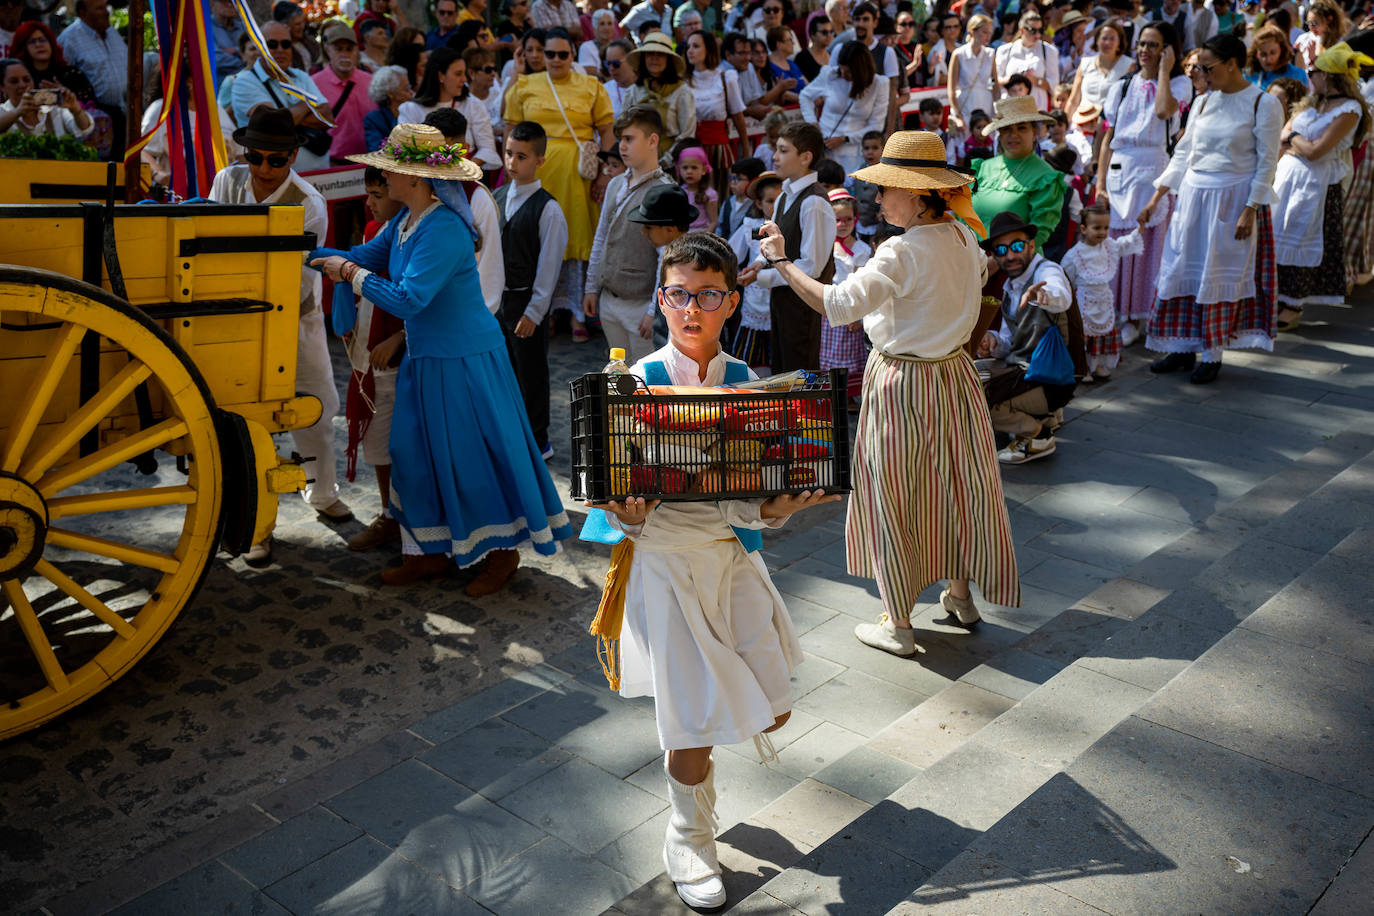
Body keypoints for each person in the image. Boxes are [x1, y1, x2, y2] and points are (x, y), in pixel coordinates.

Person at [581, 232, 837, 913]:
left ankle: (698, 796)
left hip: (732, 557)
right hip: (664, 566)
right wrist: (628, 512)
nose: (691, 309)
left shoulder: (753, 385)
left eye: (708, 295)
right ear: (661, 298)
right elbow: (610, 500)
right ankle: (689, 836)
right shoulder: (631, 386)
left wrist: (790, 504)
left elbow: (764, 503)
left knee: (774, 705)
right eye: (678, 294)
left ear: (732, 300)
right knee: (691, 723)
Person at [757, 130, 1019, 655]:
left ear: (919, 193)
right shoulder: (966, 236)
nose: (879, 198)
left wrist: (781, 262)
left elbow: (836, 306)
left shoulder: (901, 251)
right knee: (956, 487)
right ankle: (960, 594)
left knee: (894, 494)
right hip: (955, 377)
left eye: (887, 188)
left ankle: (898, 623)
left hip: (903, 383)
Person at [312, 122, 572, 592]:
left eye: (391, 171)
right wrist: (301, 249)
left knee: (473, 457)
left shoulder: (445, 230)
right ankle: (427, 551)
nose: (384, 179)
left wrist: (347, 273)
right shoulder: (407, 222)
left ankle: (501, 552)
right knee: (414, 455)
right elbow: (364, 254)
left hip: (465, 361)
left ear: (415, 178)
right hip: (431, 359)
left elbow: (410, 300)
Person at [209, 108, 353, 566]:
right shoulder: (226, 182)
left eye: (276, 159)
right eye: (255, 157)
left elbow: (294, 281)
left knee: (316, 406)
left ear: (294, 155)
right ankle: (253, 522)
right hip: (232, 318)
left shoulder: (309, 202)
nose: (264, 169)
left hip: (294, 319)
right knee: (242, 418)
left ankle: (323, 491)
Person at [1139, 33, 1284, 385]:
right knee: (1183, 269)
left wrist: (1251, 208)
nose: (1200, 72)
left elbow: (1267, 162)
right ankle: (1183, 347)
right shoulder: (1204, 101)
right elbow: (1186, 153)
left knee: (1217, 274)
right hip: (1194, 197)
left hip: (1232, 199)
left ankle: (1213, 352)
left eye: (1207, 66)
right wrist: (1157, 196)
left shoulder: (1261, 103)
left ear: (1231, 64)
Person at [504, 27, 615, 344]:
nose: (554, 59)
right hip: (533, 174)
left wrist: (605, 173)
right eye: (548, 53)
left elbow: (607, 132)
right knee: (537, 240)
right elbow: (511, 130)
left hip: (579, 177)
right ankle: (545, 312)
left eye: (562, 54)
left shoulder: (591, 86)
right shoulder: (525, 84)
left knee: (576, 239)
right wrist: (512, 166)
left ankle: (579, 313)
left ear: (573, 54)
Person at [1096, 21, 1189, 343]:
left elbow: (1163, 111)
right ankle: (1115, 313)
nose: (1145, 51)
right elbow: (1108, 137)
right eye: (1142, 44)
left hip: (1153, 171)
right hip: (1122, 170)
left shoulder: (1178, 85)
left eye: (1153, 45)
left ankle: (1143, 315)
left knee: (1148, 247)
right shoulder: (1121, 87)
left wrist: (1164, 71)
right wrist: (1099, 183)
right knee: (1116, 244)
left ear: (1167, 50)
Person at [1271, 44, 1370, 330]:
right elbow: (1282, 136)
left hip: (1318, 185)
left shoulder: (1350, 110)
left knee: (1303, 239)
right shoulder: (1311, 103)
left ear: (1330, 75)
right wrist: (1294, 142)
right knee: (1279, 235)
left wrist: (1295, 139)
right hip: (1288, 179)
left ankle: (1293, 303)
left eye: (1314, 71)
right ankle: (1277, 297)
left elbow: (1317, 151)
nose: (1309, 75)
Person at [975, 211, 1079, 464]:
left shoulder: (1048, 272)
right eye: (1001, 250)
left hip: (1050, 380)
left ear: (1031, 245)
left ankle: (1039, 436)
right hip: (1026, 371)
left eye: (1017, 246)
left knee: (977, 402)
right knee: (969, 375)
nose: (1010, 255)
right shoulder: (1010, 287)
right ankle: (1043, 417)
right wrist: (992, 342)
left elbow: (1059, 294)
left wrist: (1045, 296)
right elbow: (1009, 342)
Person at [340, 167, 406, 552]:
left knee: (399, 445)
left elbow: (413, 297)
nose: (370, 203)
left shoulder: (410, 237)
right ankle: (389, 513)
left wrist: (398, 337)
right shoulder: (371, 232)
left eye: (378, 195)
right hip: (368, 354)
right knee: (379, 446)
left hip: (398, 357)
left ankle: (401, 518)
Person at [494, 121, 568, 457]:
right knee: (502, 371)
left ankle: (538, 440)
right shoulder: (495, 199)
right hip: (497, 302)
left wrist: (535, 311)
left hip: (525, 302)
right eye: (508, 153)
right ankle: (508, 433)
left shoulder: (548, 209)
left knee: (531, 373)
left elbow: (549, 268)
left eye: (521, 156)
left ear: (539, 160)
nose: (512, 162)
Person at [738, 122, 836, 373]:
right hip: (783, 300)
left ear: (805, 157)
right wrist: (758, 264)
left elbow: (812, 267)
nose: (775, 156)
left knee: (800, 374)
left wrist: (764, 276)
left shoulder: (813, 201)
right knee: (782, 371)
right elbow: (776, 244)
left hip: (804, 306)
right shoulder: (784, 196)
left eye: (783, 150)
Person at [585, 105, 676, 364]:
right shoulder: (615, 183)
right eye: (620, 139)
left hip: (640, 304)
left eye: (629, 139)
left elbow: (666, 258)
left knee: (644, 382)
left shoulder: (664, 190)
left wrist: (653, 311)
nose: (621, 146)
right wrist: (591, 287)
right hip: (610, 297)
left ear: (652, 140)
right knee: (617, 374)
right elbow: (601, 237)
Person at [232, 18, 332, 172]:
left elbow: (327, 117)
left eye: (286, 44)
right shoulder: (245, 81)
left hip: (321, 177)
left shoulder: (301, 76)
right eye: (272, 44)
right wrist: (308, 102)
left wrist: (287, 117)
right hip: (271, 177)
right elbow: (272, 124)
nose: (280, 49)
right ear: (259, 47)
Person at [971, 97, 1066, 250]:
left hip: (1015, 265)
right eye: (1007, 128)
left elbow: (1039, 234)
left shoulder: (1045, 176)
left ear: (1034, 132)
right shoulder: (984, 167)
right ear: (1000, 133)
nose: (1013, 135)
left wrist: (995, 262)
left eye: (1021, 128)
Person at [1061, 202, 1143, 379]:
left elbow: (1124, 244)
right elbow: (1065, 277)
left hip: (1104, 300)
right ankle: (1083, 368)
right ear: (1083, 228)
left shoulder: (1108, 246)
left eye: (1106, 227)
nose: (1102, 232)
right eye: (1097, 227)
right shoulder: (1074, 255)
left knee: (1103, 334)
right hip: (1084, 300)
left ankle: (1098, 365)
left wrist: (1140, 229)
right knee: (1085, 336)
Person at [397, 46, 499, 169]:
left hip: (465, 177)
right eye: (458, 74)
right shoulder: (410, 110)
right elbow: (405, 150)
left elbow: (487, 147)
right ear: (440, 76)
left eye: (464, 73)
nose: (464, 79)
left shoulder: (473, 105)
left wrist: (463, 170)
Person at [799, 39, 891, 173]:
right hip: (824, 148)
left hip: (855, 153)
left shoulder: (880, 84)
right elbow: (805, 96)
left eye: (848, 72)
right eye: (841, 69)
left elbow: (876, 126)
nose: (842, 75)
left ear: (860, 71)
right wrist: (812, 122)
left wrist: (845, 139)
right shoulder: (829, 74)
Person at [57, 0, 126, 155]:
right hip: (95, 120)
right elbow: (63, 79)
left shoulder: (112, 33)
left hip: (124, 114)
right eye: (99, 8)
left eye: (106, 6)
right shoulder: (69, 39)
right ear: (83, 12)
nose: (107, 12)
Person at [821, 189, 871, 403]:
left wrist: (859, 316)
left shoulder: (861, 249)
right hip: (828, 311)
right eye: (837, 220)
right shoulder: (824, 246)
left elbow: (861, 283)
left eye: (848, 219)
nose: (843, 224)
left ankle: (846, 398)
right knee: (827, 356)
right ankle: (829, 396)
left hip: (849, 310)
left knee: (848, 357)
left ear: (856, 219)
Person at [684, 29, 748, 192]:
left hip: (720, 151)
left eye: (696, 46)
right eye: (689, 46)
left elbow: (738, 115)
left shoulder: (726, 77)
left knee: (723, 191)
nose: (690, 51)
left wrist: (746, 149)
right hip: (693, 151)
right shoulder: (684, 81)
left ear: (709, 49)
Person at [730, 170, 782, 368]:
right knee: (746, 355)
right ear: (759, 204)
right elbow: (732, 251)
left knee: (776, 356)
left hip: (779, 297)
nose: (775, 206)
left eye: (779, 200)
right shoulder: (752, 227)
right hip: (754, 298)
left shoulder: (790, 225)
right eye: (770, 201)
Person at [623, 32, 696, 156]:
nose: (654, 58)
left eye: (660, 54)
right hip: (638, 160)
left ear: (669, 59)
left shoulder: (682, 92)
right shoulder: (633, 91)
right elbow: (624, 128)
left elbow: (687, 134)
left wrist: (666, 160)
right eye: (650, 54)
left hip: (672, 162)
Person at [313, 20, 374, 162]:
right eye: (339, 49)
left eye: (349, 49)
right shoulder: (313, 84)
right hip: (332, 165)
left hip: (368, 162)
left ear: (357, 50)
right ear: (327, 49)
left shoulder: (371, 82)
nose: (344, 54)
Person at [0, 58, 93, 138]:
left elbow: (84, 129)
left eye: (26, 79)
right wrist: (18, 111)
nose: (22, 85)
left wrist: (75, 109)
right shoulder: (3, 111)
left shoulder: (53, 108)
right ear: (2, 87)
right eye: (14, 81)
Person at [13, 22, 96, 107]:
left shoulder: (71, 74)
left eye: (42, 40)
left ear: (51, 43)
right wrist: (54, 97)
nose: (38, 45)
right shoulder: (20, 78)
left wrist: (65, 94)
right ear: (23, 48)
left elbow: (90, 104)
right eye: (32, 42)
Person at [995, 10, 1061, 110]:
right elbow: (995, 80)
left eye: (1040, 31)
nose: (1038, 35)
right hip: (1010, 107)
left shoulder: (1049, 50)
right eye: (1033, 31)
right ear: (1022, 30)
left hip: (1037, 107)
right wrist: (1012, 79)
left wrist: (1035, 80)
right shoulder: (1004, 50)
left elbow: (1054, 85)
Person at [1066, 20, 1130, 119]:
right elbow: (1073, 100)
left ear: (1119, 42)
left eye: (1112, 39)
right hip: (1082, 122)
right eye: (1104, 38)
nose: (1107, 43)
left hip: (1110, 124)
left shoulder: (1128, 65)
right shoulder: (1085, 64)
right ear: (1097, 41)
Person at [948, 14, 996, 137]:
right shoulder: (958, 54)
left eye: (990, 32)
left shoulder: (990, 53)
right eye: (984, 32)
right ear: (972, 31)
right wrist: (958, 116)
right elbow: (951, 90)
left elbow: (995, 85)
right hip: (965, 105)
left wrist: (998, 111)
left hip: (986, 105)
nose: (988, 36)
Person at [846, 130, 884, 240]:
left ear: (883, 150)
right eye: (866, 148)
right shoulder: (859, 169)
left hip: (878, 223)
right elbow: (846, 182)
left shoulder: (885, 173)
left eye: (875, 148)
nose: (870, 152)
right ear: (861, 151)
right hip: (860, 224)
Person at [1245, 23, 1307, 89]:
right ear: (1256, 54)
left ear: (1281, 50)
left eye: (1273, 53)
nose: (1268, 59)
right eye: (1263, 54)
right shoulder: (1248, 75)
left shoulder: (1297, 75)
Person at [364, 64, 410, 152]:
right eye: (406, 89)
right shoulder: (374, 119)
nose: (411, 93)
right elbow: (377, 151)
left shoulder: (412, 111)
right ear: (391, 94)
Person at [718, 155, 765, 238]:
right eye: (731, 178)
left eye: (738, 179)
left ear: (753, 181)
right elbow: (720, 227)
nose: (732, 182)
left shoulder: (757, 206)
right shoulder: (728, 202)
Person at [1294, 0, 1350, 69]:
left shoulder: (1339, 43)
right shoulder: (1303, 38)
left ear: (1329, 20)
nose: (1310, 27)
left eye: (1315, 24)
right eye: (1309, 23)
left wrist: (1314, 59)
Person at [677, 145, 718, 231]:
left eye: (694, 168)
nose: (689, 171)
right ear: (679, 169)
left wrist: (703, 239)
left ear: (703, 170)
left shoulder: (709, 194)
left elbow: (714, 222)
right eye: (685, 167)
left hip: (701, 234)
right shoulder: (678, 192)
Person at [210, 0, 247, 85]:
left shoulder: (244, 28)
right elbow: (216, 60)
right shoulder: (205, 28)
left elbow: (256, 54)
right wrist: (247, 62)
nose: (230, 5)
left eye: (234, 1)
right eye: (224, 1)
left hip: (247, 85)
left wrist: (235, 50)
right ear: (212, 3)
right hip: (218, 89)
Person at [796, 14, 834, 81]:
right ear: (812, 34)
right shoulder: (802, 58)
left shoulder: (832, 55)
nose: (829, 35)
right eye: (824, 32)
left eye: (831, 32)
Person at [579, 9, 617, 73]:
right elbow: (590, 73)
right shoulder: (586, 47)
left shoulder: (618, 47)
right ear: (594, 28)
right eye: (602, 24)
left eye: (610, 23)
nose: (606, 28)